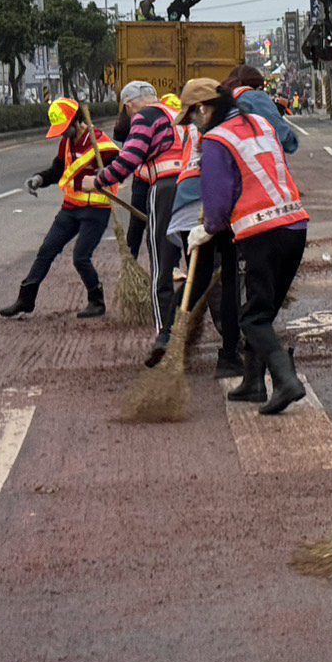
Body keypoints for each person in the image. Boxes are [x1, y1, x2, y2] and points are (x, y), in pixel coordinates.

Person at [183, 77, 309, 416]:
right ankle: (253, 383)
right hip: (295, 225)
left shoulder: (216, 140)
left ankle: (285, 380)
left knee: (251, 318)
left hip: (261, 232)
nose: (193, 125)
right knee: (263, 310)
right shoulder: (262, 124)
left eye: (192, 117)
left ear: (205, 108)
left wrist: (207, 230)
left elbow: (218, 204)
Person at [0, 98, 119, 321]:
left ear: (77, 122)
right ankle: (25, 299)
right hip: (71, 208)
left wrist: (101, 177)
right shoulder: (67, 144)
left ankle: (96, 300)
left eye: (66, 129)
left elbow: (119, 169)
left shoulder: (101, 144)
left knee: (81, 257)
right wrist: (39, 179)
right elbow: (57, 170)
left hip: (95, 210)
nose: (63, 134)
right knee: (46, 251)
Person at [95, 80, 183, 365]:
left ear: (131, 104)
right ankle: (229, 348)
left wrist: (98, 180)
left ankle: (165, 334)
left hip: (167, 188)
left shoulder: (144, 117)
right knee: (202, 263)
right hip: (194, 186)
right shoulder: (177, 113)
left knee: (161, 260)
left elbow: (128, 160)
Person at [166, 108, 243, 377]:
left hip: (193, 203)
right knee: (225, 279)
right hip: (204, 205)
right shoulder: (217, 133)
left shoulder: (202, 131)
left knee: (199, 280)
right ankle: (229, 350)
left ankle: (169, 339)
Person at [223, 65, 298, 154]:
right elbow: (288, 142)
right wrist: (273, 113)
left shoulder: (223, 100)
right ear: (258, 86)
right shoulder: (255, 97)